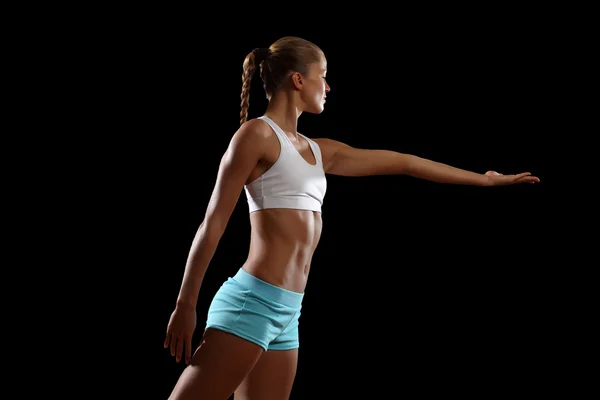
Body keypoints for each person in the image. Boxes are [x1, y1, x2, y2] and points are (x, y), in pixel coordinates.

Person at [163, 36, 540, 400]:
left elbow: (405, 162)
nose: (327, 86)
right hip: (253, 302)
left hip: (289, 311)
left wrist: (484, 180)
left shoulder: (318, 150)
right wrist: (185, 304)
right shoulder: (256, 135)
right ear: (298, 80)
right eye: (322, 75)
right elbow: (212, 224)